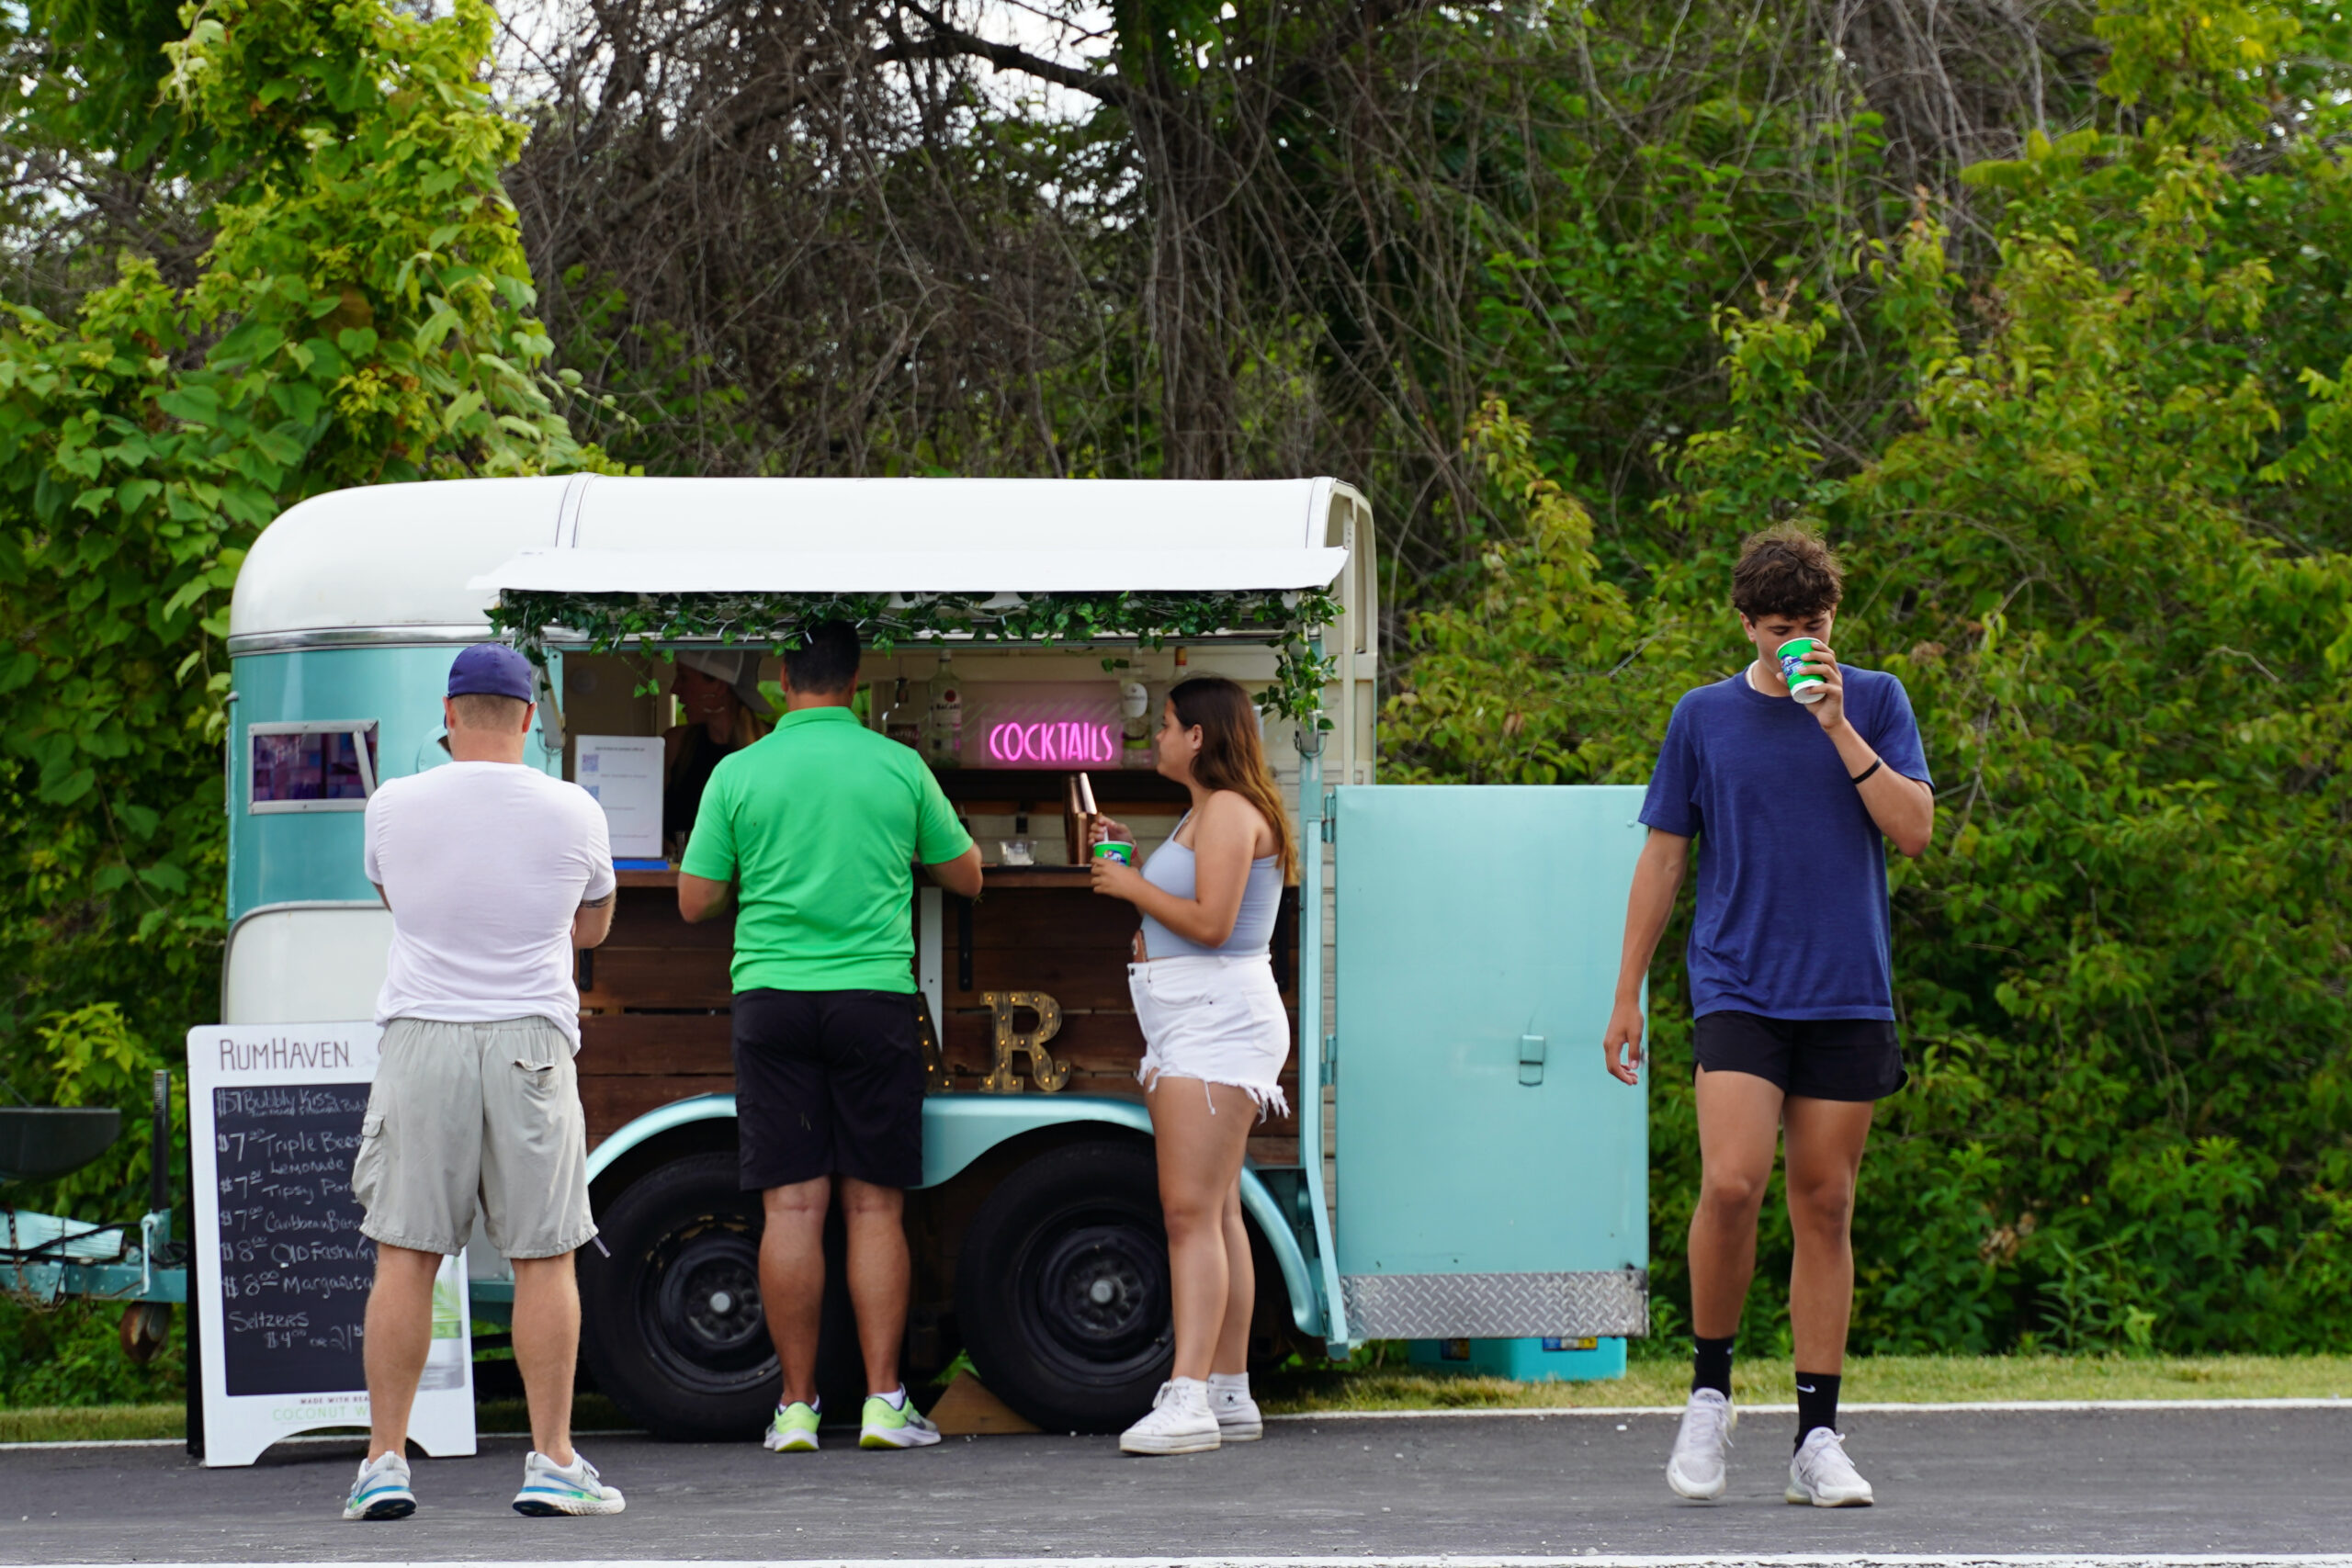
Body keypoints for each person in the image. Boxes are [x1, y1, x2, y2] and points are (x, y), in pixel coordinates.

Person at [1602, 525, 1933, 1508]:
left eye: (1816, 624)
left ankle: (1817, 1436)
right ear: (1746, 623)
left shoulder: (1873, 701)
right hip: (1738, 984)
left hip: (1845, 986)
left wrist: (1834, 723)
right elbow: (1663, 859)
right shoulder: (1702, 717)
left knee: (1824, 1203)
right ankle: (1708, 1393)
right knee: (1734, 1181)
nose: (1801, 640)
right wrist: (1627, 992)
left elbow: (1913, 832)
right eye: (1783, 627)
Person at [677, 621, 983, 1453]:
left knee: (793, 1204)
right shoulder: (898, 765)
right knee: (874, 1202)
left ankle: (798, 1408)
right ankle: (885, 1402)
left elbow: (694, 899)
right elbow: (969, 876)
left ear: (782, 677)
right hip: (873, 997)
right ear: (857, 680)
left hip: (771, 999)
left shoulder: (741, 771)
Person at [345, 643, 625, 1521]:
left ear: (450, 712)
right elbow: (593, 926)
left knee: (406, 1253)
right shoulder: (575, 809)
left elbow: (399, 903)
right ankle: (551, 1460)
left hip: (421, 1035)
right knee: (545, 1255)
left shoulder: (392, 805)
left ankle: (385, 1459)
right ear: (530, 719)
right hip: (531, 1042)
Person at [1087, 675, 1294, 1456]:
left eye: (1168, 726)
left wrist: (1131, 883)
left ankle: (1188, 1398)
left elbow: (1211, 924)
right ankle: (1227, 1391)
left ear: (1199, 737)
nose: (1158, 738)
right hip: (1192, 1018)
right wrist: (1140, 868)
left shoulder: (1233, 811)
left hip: (1215, 1018)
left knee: (1187, 1214)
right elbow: (1197, 906)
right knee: (1215, 1212)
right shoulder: (1207, 811)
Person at [663, 651, 774, 851]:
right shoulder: (676, 744)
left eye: (684, 677)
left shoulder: (773, 746)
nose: (675, 689)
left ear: (718, 685)